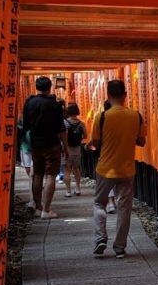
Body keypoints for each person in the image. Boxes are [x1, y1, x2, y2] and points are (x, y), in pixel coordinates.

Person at [90, 80, 145, 258]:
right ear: (125, 94)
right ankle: (120, 248)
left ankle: (101, 238)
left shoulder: (102, 117)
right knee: (124, 208)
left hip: (105, 168)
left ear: (107, 95)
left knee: (99, 203)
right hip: (127, 169)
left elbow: (96, 143)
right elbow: (142, 141)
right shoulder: (136, 115)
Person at [22, 76, 67, 219]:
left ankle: (38, 207)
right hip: (52, 144)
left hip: (36, 144)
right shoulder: (54, 104)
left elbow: (26, 125)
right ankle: (46, 210)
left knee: (37, 175)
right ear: (50, 87)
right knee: (51, 176)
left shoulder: (29, 103)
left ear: (36, 87)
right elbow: (61, 128)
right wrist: (65, 146)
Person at [62, 103, 86, 197]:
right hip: (77, 149)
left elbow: (63, 136)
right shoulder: (81, 123)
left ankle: (68, 191)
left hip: (67, 149)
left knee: (67, 170)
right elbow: (86, 136)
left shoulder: (65, 123)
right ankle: (78, 188)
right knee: (76, 168)